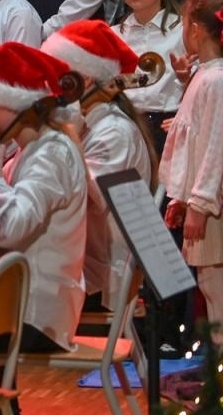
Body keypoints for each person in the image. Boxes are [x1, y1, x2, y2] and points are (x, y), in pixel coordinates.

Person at [0, 42, 89, 352]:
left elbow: (10, 229)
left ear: (10, 104)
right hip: (25, 301)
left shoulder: (52, 153)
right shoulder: (34, 149)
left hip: (37, 312)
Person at [43, 21, 154, 301]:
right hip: (80, 261)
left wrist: (65, 135)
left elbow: (82, 196)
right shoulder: (88, 122)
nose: (49, 81)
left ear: (86, 79)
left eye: (58, 70)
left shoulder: (113, 132)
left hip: (99, 273)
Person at [161, 0, 223, 347]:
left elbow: (215, 147)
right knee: (210, 286)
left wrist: (198, 203)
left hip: (211, 208)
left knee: (215, 287)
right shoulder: (205, 75)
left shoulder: (214, 81)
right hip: (202, 203)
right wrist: (181, 198)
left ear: (196, 30)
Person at [114, 0, 185, 152]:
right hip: (124, 127)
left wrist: (186, 118)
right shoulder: (112, 34)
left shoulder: (181, 30)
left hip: (166, 127)